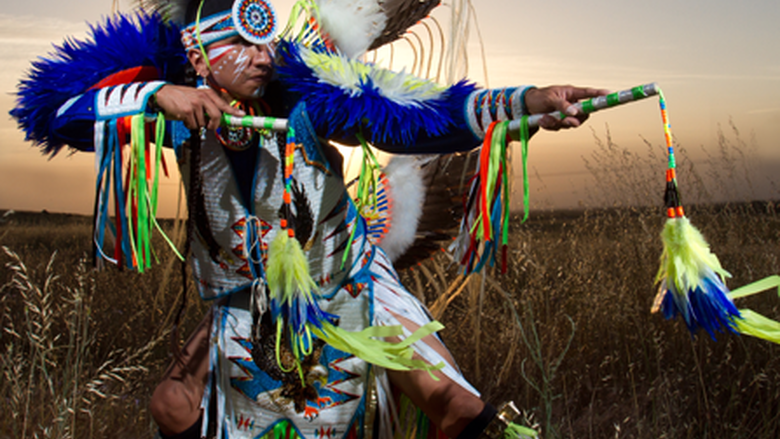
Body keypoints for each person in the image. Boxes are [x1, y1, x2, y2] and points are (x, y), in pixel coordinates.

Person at [11, 0, 606, 437]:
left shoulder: (306, 95)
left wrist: (528, 102)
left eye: (266, 43)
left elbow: (419, 114)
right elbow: (49, 112)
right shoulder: (173, 114)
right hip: (248, 304)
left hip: (346, 284)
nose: (261, 58)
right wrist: (154, 96)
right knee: (173, 406)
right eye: (241, 45)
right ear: (197, 54)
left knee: (453, 403)